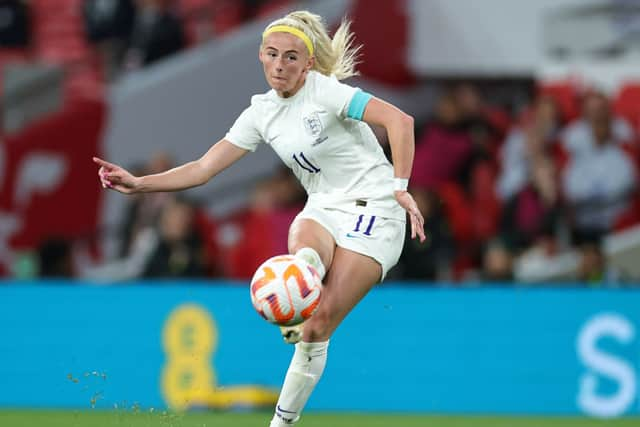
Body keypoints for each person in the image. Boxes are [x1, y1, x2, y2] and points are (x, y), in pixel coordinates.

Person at [93, 10, 425, 426]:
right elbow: (203, 168)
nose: (281, 65)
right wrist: (140, 184)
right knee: (302, 245)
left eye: (291, 57)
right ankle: (299, 298)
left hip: (377, 209)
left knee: (318, 328)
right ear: (261, 56)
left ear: (307, 63)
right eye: (273, 55)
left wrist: (400, 186)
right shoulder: (261, 113)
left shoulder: (326, 92)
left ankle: (282, 416)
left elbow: (400, 120)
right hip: (324, 206)